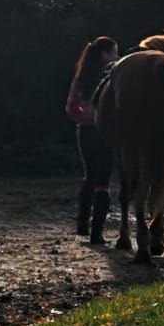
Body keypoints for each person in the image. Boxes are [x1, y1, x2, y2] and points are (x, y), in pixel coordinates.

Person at [65, 35, 119, 242]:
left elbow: (71, 107)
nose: (117, 56)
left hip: (85, 131)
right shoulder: (113, 79)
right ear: (105, 55)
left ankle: (82, 224)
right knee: (103, 179)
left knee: (90, 174)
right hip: (105, 132)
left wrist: (84, 118)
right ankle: (97, 231)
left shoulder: (81, 77)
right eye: (114, 51)